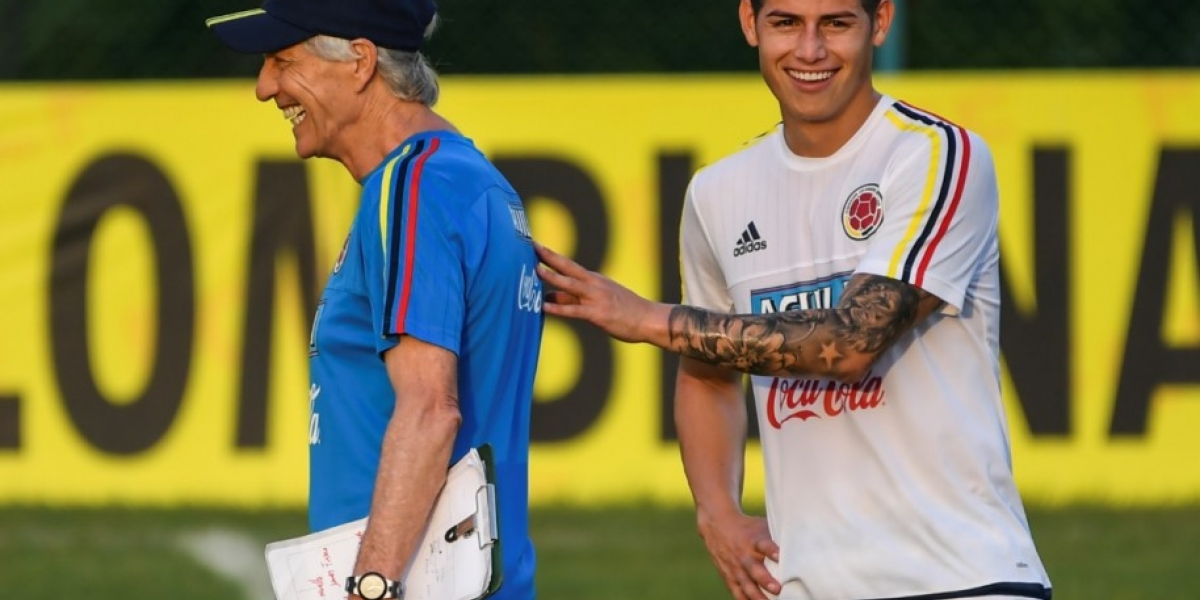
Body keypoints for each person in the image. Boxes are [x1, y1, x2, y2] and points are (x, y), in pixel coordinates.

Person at [535, 0, 1051, 599]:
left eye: (836, 23)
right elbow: (707, 376)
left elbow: (852, 340)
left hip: (961, 577)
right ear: (750, 23)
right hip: (807, 586)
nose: (810, 51)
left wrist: (648, 319)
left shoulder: (938, 156)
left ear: (880, 21)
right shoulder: (717, 193)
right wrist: (717, 514)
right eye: (786, 23)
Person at [206, 2, 544, 599]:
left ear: (360, 61)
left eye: (283, 60)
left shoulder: (413, 186)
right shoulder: (465, 178)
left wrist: (372, 586)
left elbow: (429, 410)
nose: (265, 88)